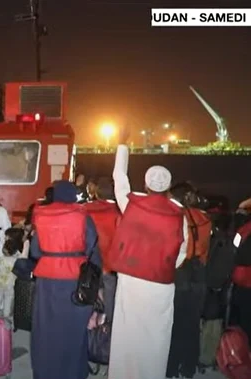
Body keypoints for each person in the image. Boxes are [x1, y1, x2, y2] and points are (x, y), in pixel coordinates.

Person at [107, 126, 188, 379]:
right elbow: (182, 252)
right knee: (156, 337)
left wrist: (122, 144)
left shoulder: (132, 204)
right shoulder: (179, 213)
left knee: (126, 333)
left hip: (131, 278)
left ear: (146, 184)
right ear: (169, 186)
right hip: (161, 283)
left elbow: (119, 177)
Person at [13, 180, 100, 379]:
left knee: (46, 330)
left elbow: (35, 251)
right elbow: (93, 249)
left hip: (47, 281)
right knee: (74, 329)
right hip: (75, 280)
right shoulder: (83, 217)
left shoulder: (42, 216)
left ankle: (45, 372)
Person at [166, 182, 211, 378]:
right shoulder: (205, 218)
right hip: (199, 273)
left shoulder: (175, 217)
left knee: (175, 322)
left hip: (180, 272)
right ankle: (188, 368)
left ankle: (171, 367)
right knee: (193, 324)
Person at [83, 177, 120, 322]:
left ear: (97, 193)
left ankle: (89, 324)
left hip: (90, 261)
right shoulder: (119, 211)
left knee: (88, 293)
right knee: (110, 294)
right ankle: (108, 325)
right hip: (111, 263)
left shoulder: (85, 209)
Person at [0, 227, 23, 318]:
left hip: (0, 282)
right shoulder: (17, 258)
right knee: (9, 298)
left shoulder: (1, 259)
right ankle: (7, 314)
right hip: (11, 283)